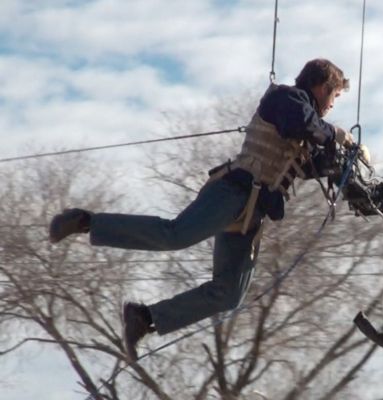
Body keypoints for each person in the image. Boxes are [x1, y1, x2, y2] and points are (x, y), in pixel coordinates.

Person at [48, 58, 355, 361]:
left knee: (229, 293)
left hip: (250, 213)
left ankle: (145, 318)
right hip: (233, 191)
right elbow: (301, 124)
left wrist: (348, 161)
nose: (332, 105)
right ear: (320, 86)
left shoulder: (308, 126)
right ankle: (86, 221)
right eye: (334, 96)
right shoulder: (287, 98)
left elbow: (314, 160)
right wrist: (335, 133)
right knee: (175, 235)